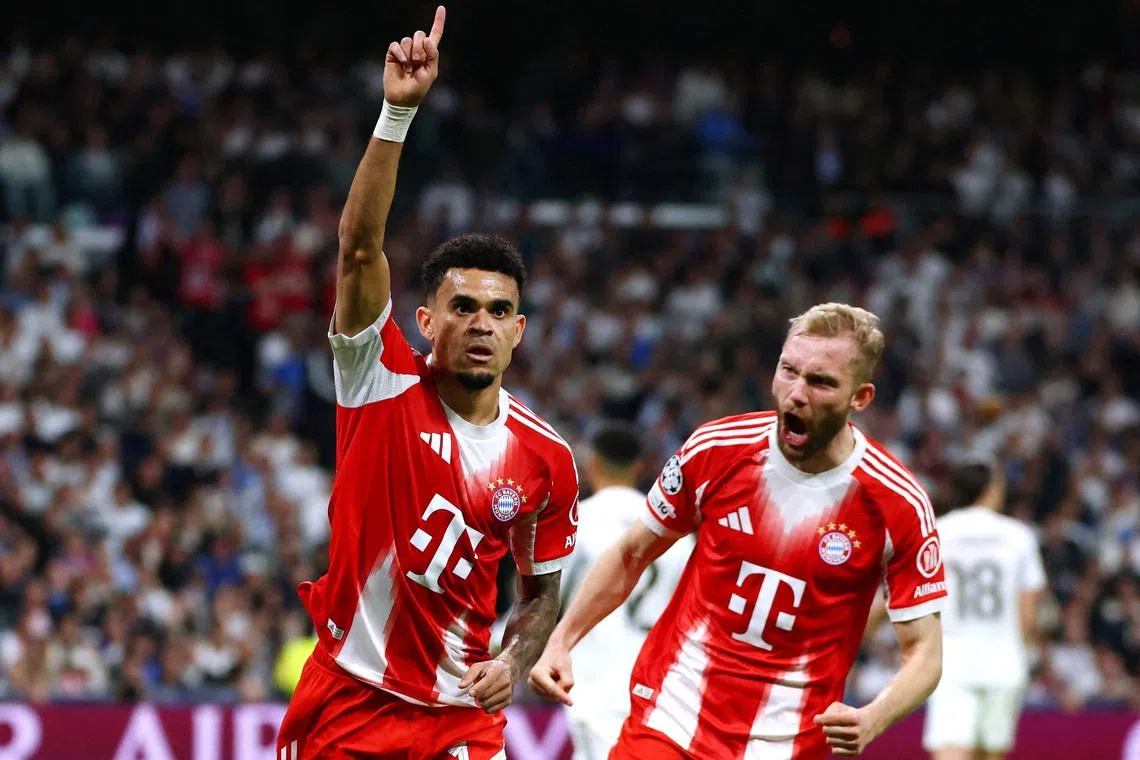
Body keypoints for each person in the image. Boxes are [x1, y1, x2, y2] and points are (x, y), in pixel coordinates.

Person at [275, 8, 580, 758]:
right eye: (463, 306)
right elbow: (357, 249)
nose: (482, 322)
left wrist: (514, 659)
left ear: (520, 331)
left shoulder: (545, 459)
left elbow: (541, 592)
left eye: (500, 310)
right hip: (347, 699)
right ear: (425, 320)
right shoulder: (376, 379)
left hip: (457, 721)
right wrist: (396, 111)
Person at [530, 303, 947, 759]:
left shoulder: (897, 503)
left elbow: (924, 651)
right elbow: (632, 553)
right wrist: (561, 640)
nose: (796, 394)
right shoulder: (717, 450)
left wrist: (874, 717)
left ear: (860, 397)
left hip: (788, 743)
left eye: (821, 382)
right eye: (789, 371)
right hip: (671, 718)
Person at [561, 422, 696, 760]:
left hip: (592, 683)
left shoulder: (581, 521)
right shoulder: (676, 534)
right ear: (639, 467)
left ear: (591, 463)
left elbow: (546, 602)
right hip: (657, 688)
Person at [921, 460, 1046, 760]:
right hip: (1005, 660)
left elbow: (919, 595)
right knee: (990, 755)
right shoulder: (1019, 535)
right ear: (990, 490)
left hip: (952, 661)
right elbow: (1028, 611)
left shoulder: (937, 531)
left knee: (951, 750)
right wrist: (1030, 653)